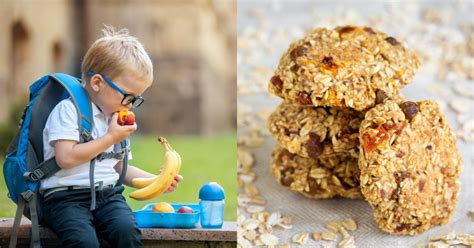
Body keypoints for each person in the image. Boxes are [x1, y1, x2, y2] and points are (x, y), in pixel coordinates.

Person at [40, 25, 182, 248]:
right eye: (128, 96)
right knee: (84, 242)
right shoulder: (68, 111)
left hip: (107, 196)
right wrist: (110, 138)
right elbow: (65, 158)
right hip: (65, 199)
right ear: (98, 83)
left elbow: (118, 168)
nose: (130, 105)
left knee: (127, 231)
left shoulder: (114, 118)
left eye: (136, 99)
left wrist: (158, 180)